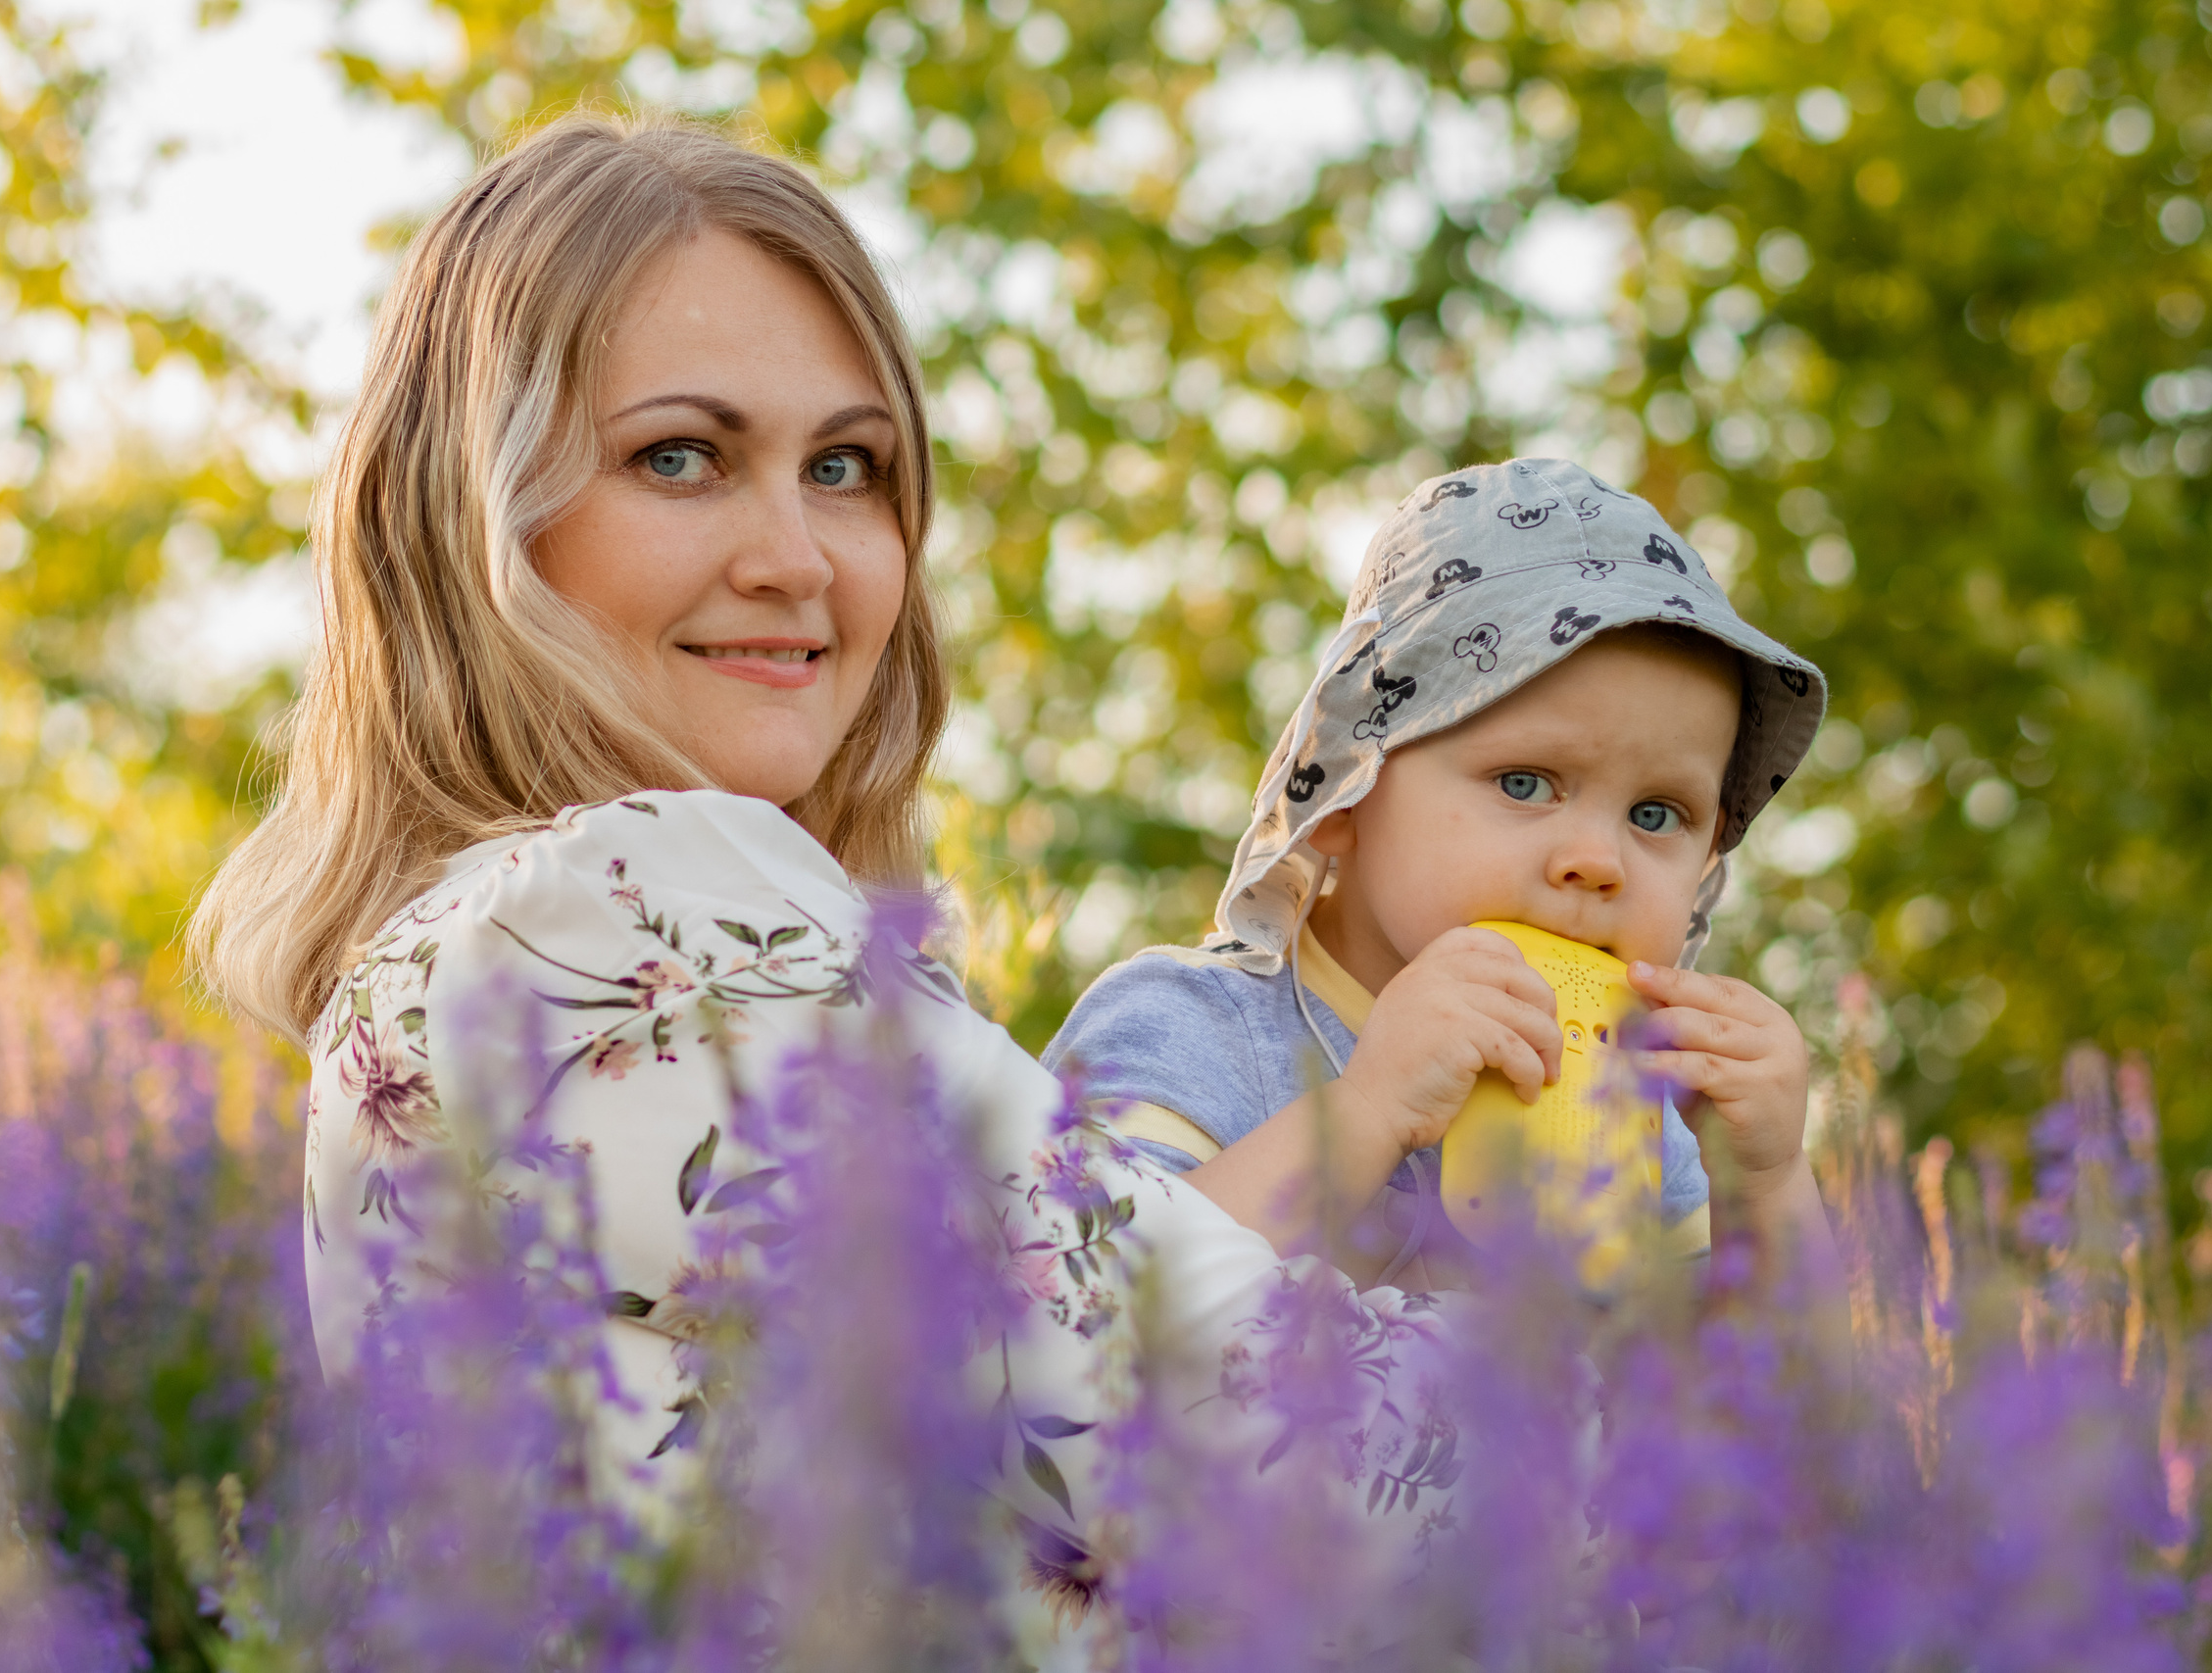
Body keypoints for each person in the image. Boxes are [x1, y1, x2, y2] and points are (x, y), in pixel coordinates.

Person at [186, 113, 1470, 1645]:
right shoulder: (611, 908)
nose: (800, 556)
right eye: (682, 456)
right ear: (473, 523)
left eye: (848, 467)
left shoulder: (496, 946)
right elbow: (1315, 1448)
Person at [1045, 460, 1843, 1299]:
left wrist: (1768, 1186)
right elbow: (1081, 1308)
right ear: (1346, 789)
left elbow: (1785, 1423)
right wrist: (1364, 1112)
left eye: (1655, 815)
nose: (1599, 862)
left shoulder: (1652, 1125)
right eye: (1526, 782)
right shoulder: (1191, 1030)